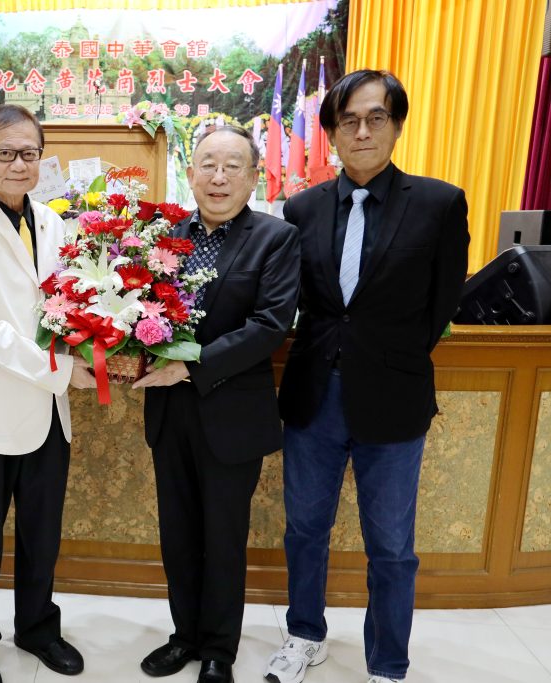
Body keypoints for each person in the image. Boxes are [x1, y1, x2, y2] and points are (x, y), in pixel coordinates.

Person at [264, 70, 470, 683]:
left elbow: (441, 304)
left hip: (394, 396)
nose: (362, 131)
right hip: (314, 394)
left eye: (375, 118)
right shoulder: (301, 208)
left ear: (396, 126)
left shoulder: (438, 203)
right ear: (331, 132)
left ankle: (388, 663)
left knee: (391, 547)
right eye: (348, 121)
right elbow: (300, 300)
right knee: (305, 528)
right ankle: (305, 636)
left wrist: (387, 357)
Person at [132, 126, 300, 683]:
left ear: (253, 177)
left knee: (223, 538)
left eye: (233, 166)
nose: (219, 177)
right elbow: (139, 310)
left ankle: (219, 650)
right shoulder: (161, 237)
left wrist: (191, 365)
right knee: (178, 535)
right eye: (208, 164)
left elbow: (269, 324)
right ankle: (184, 636)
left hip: (232, 413)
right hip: (169, 411)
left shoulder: (276, 239)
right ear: (191, 173)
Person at [0, 104, 97, 683]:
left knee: (41, 534)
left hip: (48, 415)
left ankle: (37, 628)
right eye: (4, 153)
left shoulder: (53, 223)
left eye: (29, 153)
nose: (18, 164)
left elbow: (70, 304)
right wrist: (63, 370)